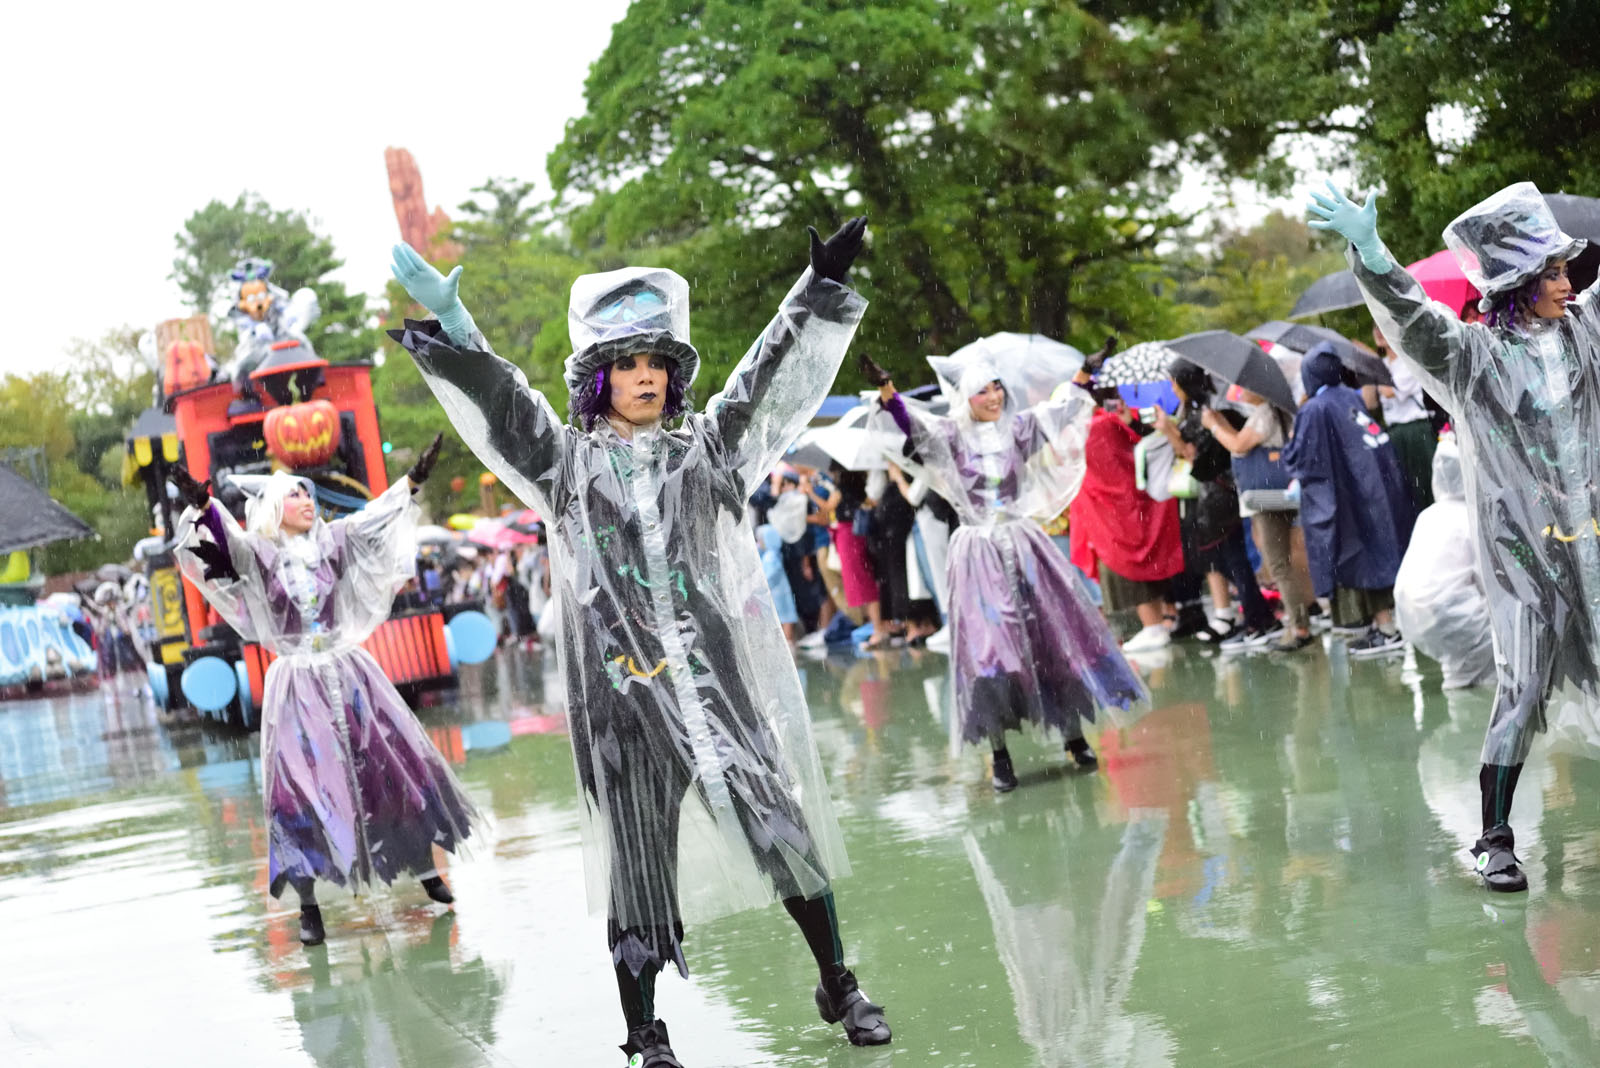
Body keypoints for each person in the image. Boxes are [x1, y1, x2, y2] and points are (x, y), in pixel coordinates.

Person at [389, 219, 890, 1065]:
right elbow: (505, 402)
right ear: (600, 377)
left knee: (783, 831)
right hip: (622, 697)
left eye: (655, 360)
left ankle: (838, 981)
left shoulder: (710, 448)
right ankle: (646, 1033)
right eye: (625, 362)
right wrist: (459, 327)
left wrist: (814, 293)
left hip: (716, 682)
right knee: (640, 865)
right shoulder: (561, 464)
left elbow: (765, 384)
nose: (644, 376)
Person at [1311, 180, 1600, 893]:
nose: (1569, 283)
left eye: (1565, 270)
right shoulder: (1470, 358)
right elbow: (1411, 317)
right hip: (1526, 556)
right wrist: (1372, 251)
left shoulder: (1586, 334)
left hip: (1595, 541)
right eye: (1554, 272)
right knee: (1524, 687)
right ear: (1517, 283)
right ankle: (1495, 837)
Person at [168, 441, 479, 947]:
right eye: (294, 495)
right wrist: (203, 505)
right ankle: (308, 908)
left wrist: (410, 484)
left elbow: (376, 520)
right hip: (296, 682)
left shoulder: (335, 540)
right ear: (274, 508)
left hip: (349, 671)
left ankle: (425, 870)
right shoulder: (260, 553)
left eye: (308, 494)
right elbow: (226, 544)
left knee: (385, 766)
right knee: (299, 788)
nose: (307, 501)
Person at [865, 342, 1146, 793]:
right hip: (978, 553)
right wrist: (888, 391)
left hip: (1022, 543)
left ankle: (1073, 736)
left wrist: (1083, 377)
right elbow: (911, 422)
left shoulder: (1019, 428)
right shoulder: (951, 435)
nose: (994, 396)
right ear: (966, 399)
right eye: (983, 391)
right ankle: (999, 754)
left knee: (1050, 635)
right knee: (991, 649)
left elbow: (1061, 411)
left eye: (996, 387)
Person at [1281, 342, 1414, 657]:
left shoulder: (1315, 408)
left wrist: (1293, 436)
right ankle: (1384, 626)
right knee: (1376, 553)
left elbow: (1300, 458)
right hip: (1372, 491)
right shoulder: (1349, 397)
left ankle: (1384, 629)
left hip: (1348, 496)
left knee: (1362, 558)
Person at [1069, 388, 1185, 653]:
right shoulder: (1117, 422)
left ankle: (1152, 625)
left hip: (1112, 513)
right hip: (1132, 504)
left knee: (1128, 567)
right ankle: (1154, 623)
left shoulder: (1095, 427)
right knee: (1141, 566)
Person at [1202, 391, 1316, 651]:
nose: (1240, 392)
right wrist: (1221, 422)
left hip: (1267, 497)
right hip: (1280, 490)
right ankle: (1301, 618)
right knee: (1283, 560)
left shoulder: (1266, 412)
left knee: (1278, 563)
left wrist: (1213, 426)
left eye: (1245, 387)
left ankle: (1299, 627)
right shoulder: (1276, 412)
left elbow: (1239, 445)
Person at [1393, 436, 1493, 689]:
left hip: (1412, 616)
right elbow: (1487, 579)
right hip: (1452, 610)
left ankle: (1459, 698)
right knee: (1494, 659)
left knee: (1460, 664)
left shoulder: (1428, 515)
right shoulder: (1471, 517)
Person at [1375, 325, 1439, 511]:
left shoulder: (1407, 360)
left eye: (1381, 326)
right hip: (1394, 432)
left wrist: (1371, 369)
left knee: (1425, 485)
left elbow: (1389, 392)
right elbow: (1370, 402)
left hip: (1415, 430)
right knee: (1405, 490)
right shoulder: (1382, 365)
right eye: (1375, 328)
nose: (1378, 332)